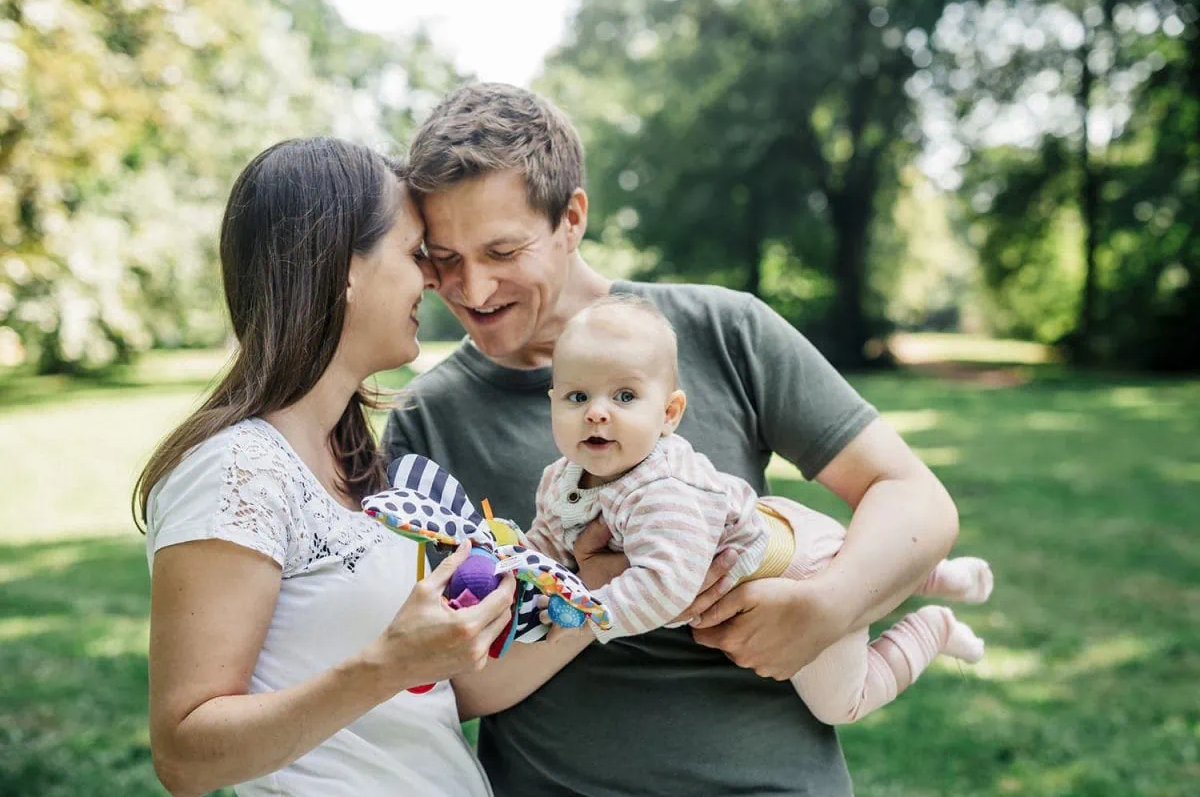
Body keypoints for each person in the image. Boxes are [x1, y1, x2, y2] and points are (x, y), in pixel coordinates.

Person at [383, 83, 963, 795]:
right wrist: (593, 586)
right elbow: (449, 687)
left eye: (503, 250)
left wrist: (830, 604)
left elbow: (915, 498)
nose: (471, 289)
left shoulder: (726, 331)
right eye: (443, 258)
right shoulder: (426, 423)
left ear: (572, 217)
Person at [134, 138, 523, 797]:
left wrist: (608, 573)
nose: (431, 279)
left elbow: (436, 694)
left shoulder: (361, 465)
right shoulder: (235, 469)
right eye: (412, 253)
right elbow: (185, 755)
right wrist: (388, 661)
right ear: (344, 268)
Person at [524, 294, 993, 724]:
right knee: (855, 552)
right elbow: (550, 537)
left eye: (624, 396)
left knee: (841, 704)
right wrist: (516, 559)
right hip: (777, 527)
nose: (596, 412)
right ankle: (938, 576)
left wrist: (588, 610)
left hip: (800, 572)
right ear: (553, 403)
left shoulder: (664, 493)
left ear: (669, 413)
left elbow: (665, 587)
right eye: (577, 396)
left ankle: (934, 627)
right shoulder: (561, 477)